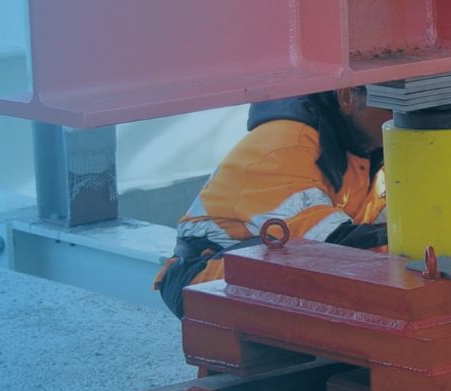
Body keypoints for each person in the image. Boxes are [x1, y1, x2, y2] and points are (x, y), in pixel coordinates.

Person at [154, 87, 392, 318]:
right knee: (312, 263)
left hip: (261, 265)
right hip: (202, 276)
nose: (408, 112)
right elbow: (329, 243)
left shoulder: (373, 149)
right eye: (393, 99)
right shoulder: (286, 143)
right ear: (347, 96)